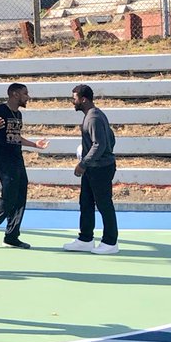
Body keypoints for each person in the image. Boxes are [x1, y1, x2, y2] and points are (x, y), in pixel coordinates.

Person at [0, 82, 48, 249]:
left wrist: (34, 145)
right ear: (15, 94)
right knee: (9, 194)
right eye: (25, 93)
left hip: (17, 158)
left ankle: (12, 236)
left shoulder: (18, 114)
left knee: (20, 194)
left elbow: (15, 137)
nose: (28, 97)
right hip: (3, 159)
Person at [63, 84, 119, 255]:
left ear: (83, 99)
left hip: (100, 168)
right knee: (86, 203)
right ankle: (85, 239)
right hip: (93, 168)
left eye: (74, 98)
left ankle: (110, 242)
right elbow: (111, 138)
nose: (73, 102)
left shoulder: (93, 117)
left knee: (104, 204)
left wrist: (83, 163)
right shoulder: (93, 114)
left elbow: (100, 144)